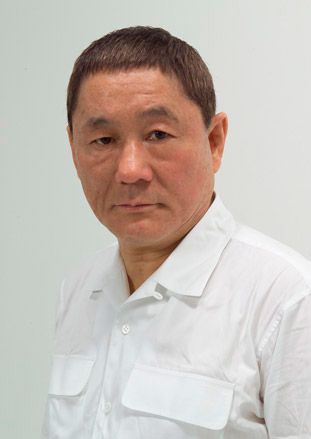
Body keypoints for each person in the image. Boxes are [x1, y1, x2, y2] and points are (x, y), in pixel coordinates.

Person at [42, 26, 311, 439]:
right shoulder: (78, 289)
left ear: (215, 140)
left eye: (158, 135)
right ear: (74, 149)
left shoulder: (287, 299)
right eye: (102, 139)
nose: (129, 169)